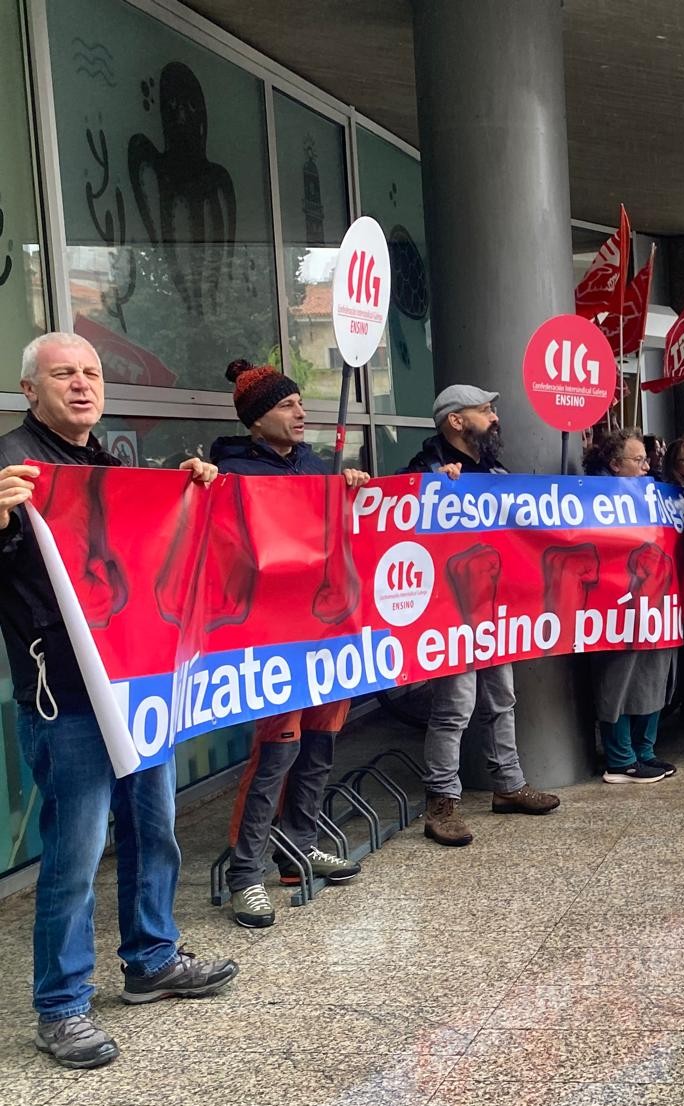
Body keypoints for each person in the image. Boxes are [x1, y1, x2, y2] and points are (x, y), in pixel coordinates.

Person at [0, 332, 237, 1069]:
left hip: (139, 687)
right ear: (29, 389)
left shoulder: (110, 466)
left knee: (153, 830)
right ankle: (61, 1007)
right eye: (63, 374)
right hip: (67, 697)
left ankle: (152, 959)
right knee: (74, 859)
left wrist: (187, 489)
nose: (82, 384)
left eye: (92, 373)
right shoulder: (10, 467)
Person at [210, 360, 372, 928]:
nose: (301, 412)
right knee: (276, 750)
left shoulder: (315, 465)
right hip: (271, 638)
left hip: (325, 631)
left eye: (301, 402)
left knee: (320, 743)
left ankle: (297, 847)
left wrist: (349, 489)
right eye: (286, 405)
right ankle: (245, 873)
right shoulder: (231, 473)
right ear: (256, 420)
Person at [404, 385, 561, 846]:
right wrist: (431, 487)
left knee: (501, 699)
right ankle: (441, 801)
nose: (494, 418)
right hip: (451, 612)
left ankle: (508, 785)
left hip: (494, 609)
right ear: (456, 421)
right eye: (485, 410)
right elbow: (401, 520)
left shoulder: (494, 470)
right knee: (455, 707)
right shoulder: (424, 468)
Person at [585, 430, 680, 781]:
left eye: (646, 459)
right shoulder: (592, 498)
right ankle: (621, 758)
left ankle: (644, 751)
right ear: (614, 464)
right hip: (617, 607)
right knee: (619, 682)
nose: (646, 467)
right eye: (638, 460)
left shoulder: (653, 495)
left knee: (651, 678)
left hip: (655, 604)